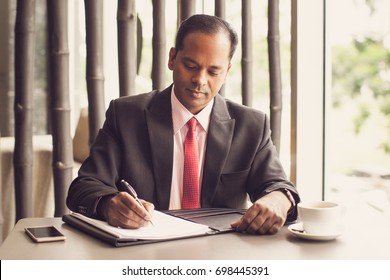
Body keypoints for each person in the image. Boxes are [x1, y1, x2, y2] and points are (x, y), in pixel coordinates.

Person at [66, 14, 300, 235]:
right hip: (143, 251)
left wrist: (278, 199)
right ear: (172, 58)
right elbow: (84, 186)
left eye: (213, 71)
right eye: (191, 66)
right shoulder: (126, 115)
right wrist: (108, 204)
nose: (200, 80)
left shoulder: (251, 125)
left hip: (222, 252)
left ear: (226, 72)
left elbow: (277, 185)